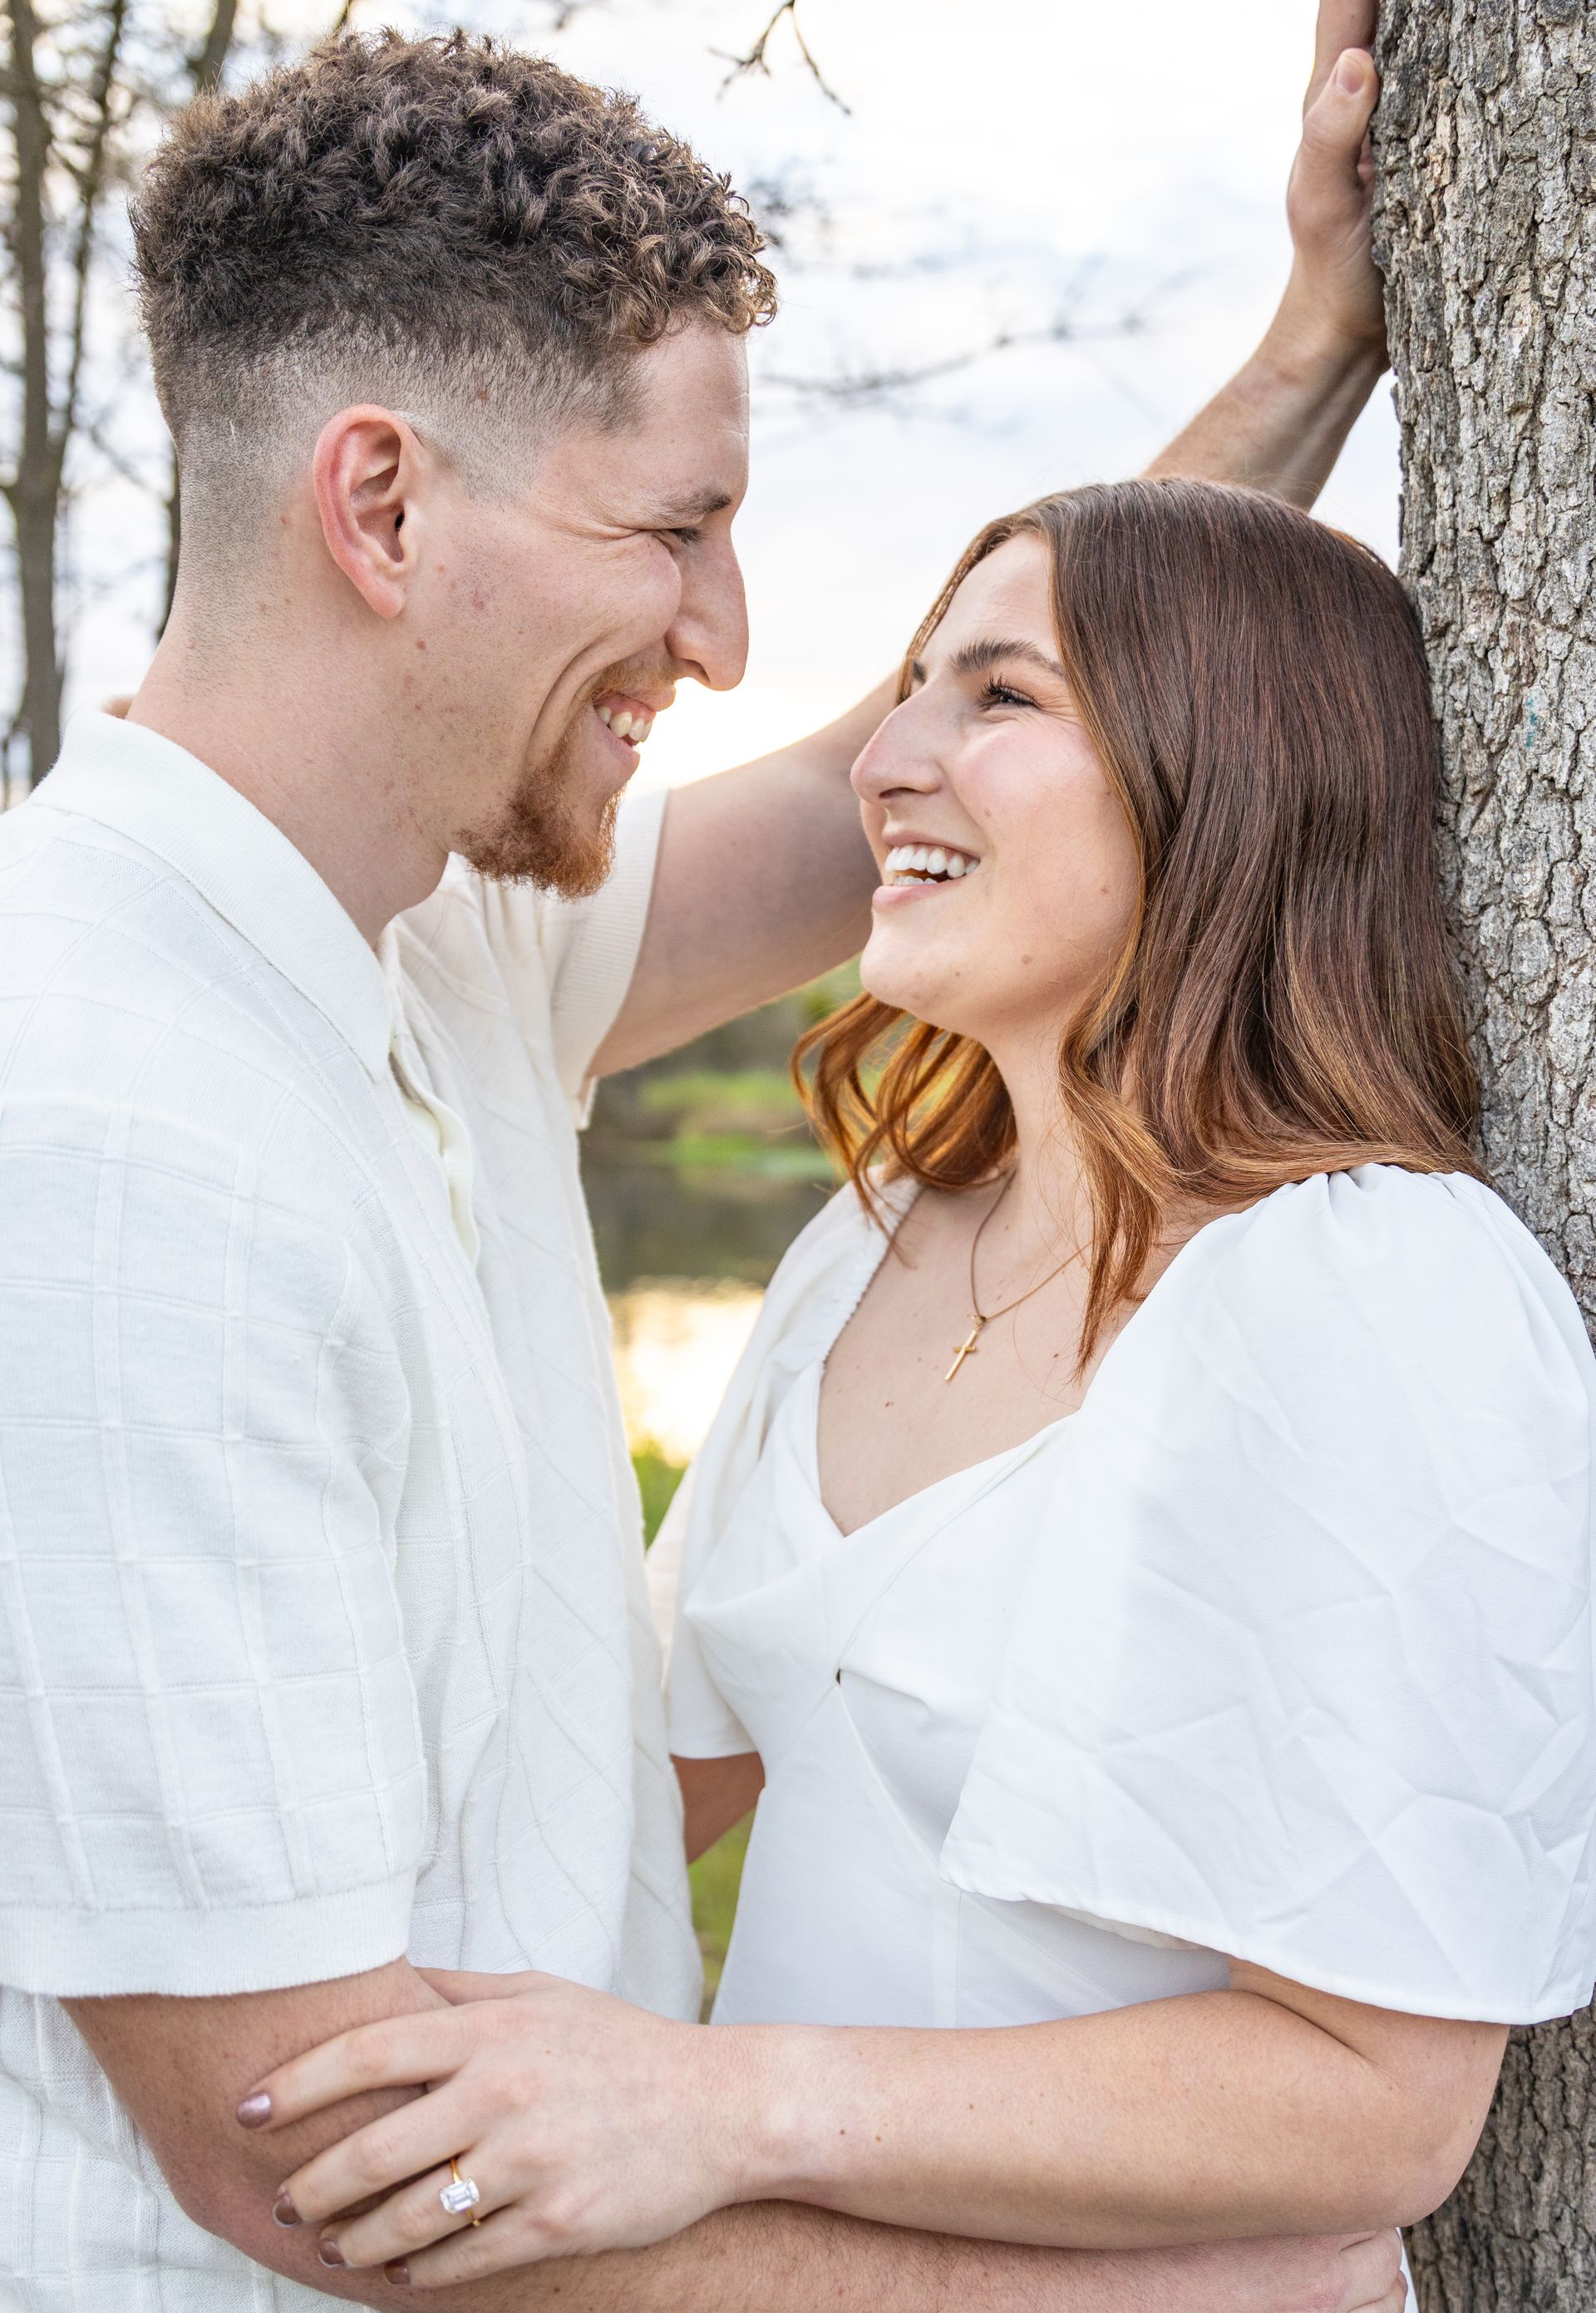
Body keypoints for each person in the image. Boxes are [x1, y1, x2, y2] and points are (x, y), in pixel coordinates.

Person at [0, 9, 1406, 2311]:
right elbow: (312, 2147)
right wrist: (1143, 2292)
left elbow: (904, 792)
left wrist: (1314, 339)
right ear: (379, 503)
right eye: (670, 532)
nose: (728, 634)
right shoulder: (105, 1142)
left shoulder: (429, 933)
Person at [237, 485, 1596, 2302]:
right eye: (907, 691)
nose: (886, 757)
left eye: (1000, 697)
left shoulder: (1369, 1290)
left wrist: (716, 2103)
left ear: (1227, 768)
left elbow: (1382, 2108)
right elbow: (641, 1769)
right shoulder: (873, 1241)